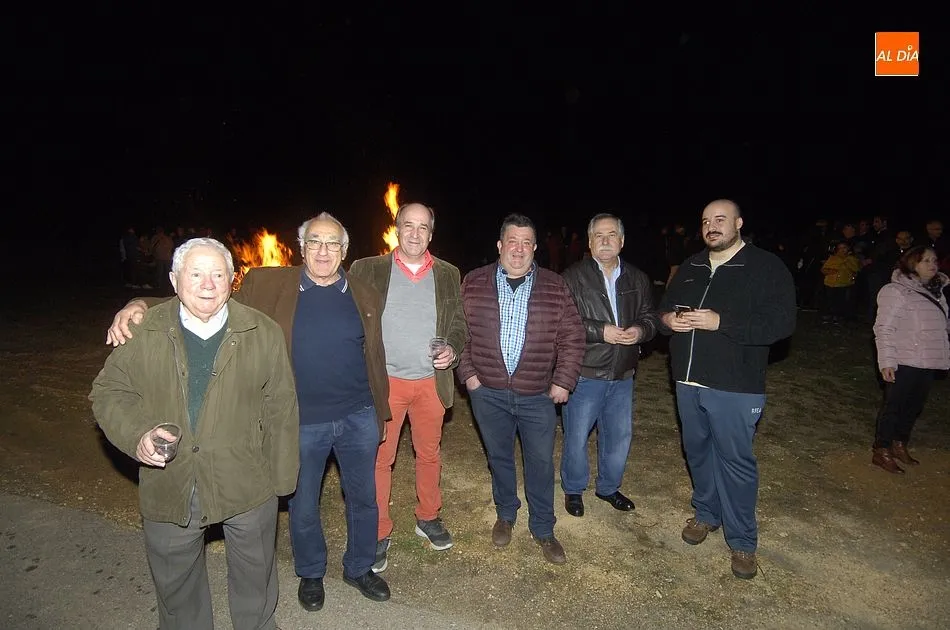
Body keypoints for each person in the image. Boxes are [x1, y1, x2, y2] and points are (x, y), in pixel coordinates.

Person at [105, 213, 393, 612]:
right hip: (300, 418)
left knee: (364, 498)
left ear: (344, 251)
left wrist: (380, 409)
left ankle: (360, 567)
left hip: (357, 415)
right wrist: (140, 304)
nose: (323, 251)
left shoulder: (365, 293)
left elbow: (375, 354)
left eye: (332, 243)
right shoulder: (268, 284)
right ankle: (311, 572)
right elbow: (208, 300)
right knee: (302, 501)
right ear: (302, 247)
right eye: (314, 242)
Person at [90, 237, 300, 630]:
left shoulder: (262, 332)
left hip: (247, 482)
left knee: (256, 581)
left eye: (218, 274)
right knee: (177, 591)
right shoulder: (145, 330)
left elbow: (281, 406)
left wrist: (280, 481)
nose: (207, 284)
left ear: (232, 280)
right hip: (171, 482)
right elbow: (108, 391)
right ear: (174, 280)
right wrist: (137, 435)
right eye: (196, 274)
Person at [658, 199, 796, 580]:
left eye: (720, 219)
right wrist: (668, 320)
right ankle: (706, 513)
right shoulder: (692, 266)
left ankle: (743, 541)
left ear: (738, 223)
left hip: (735, 385)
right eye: (705, 221)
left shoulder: (765, 267)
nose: (711, 226)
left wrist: (723, 322)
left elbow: (782, 323)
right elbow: (663, 308)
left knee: (735, 463)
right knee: (697, 453)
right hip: (687, 382)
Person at [458, 213, 585, 564]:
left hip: (537, 394)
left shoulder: (555, 286)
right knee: (499, 457)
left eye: (526, 242)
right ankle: (506, 513)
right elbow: (458, 331)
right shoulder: (473, 282)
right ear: (500, 245)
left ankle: (543, 528)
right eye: (512, 241)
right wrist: (469, 375)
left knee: (540, 463)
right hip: (488, 392)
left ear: (535, 248)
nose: (518, 249)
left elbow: (573, 338)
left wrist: (563, 380)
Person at [348, 202, 467, 573]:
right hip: (385, 383)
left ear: (431, 233)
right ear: (396, 228)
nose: (415, 233)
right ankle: (378, 530)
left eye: (423, 227)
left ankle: (428, 516)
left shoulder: (448, 273)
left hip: (430, 382)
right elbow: (350, 321)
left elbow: (458, 323)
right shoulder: (367, 269)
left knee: (428, 454)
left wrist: (453, 348)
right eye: (408, 225)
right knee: (380, 458)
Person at [560, 213, 660, 517]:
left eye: (611, 234)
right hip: (586, 372)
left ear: (622, 240)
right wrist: (599, 330)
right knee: (577, 436)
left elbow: (651, 317)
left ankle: (608, 487)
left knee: (619, 436)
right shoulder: (572, 277)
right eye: (599, 236)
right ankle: (574, 489)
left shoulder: (638, 278)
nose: (605, 241)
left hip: (623, 373)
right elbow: (563, 321)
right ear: (590, 242)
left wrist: (640, 331)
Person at [871, 246, 950, 473]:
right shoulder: (896, 291)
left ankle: (899, 443)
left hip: (927, 360)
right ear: (912, 264)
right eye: (925, 260)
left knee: (914, 406)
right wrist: (887, 361)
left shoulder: (937, 292)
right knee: (894, 406)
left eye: (934, 260)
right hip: (904, 360)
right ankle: (882, 449)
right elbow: (884, 328)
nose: (932, 265)